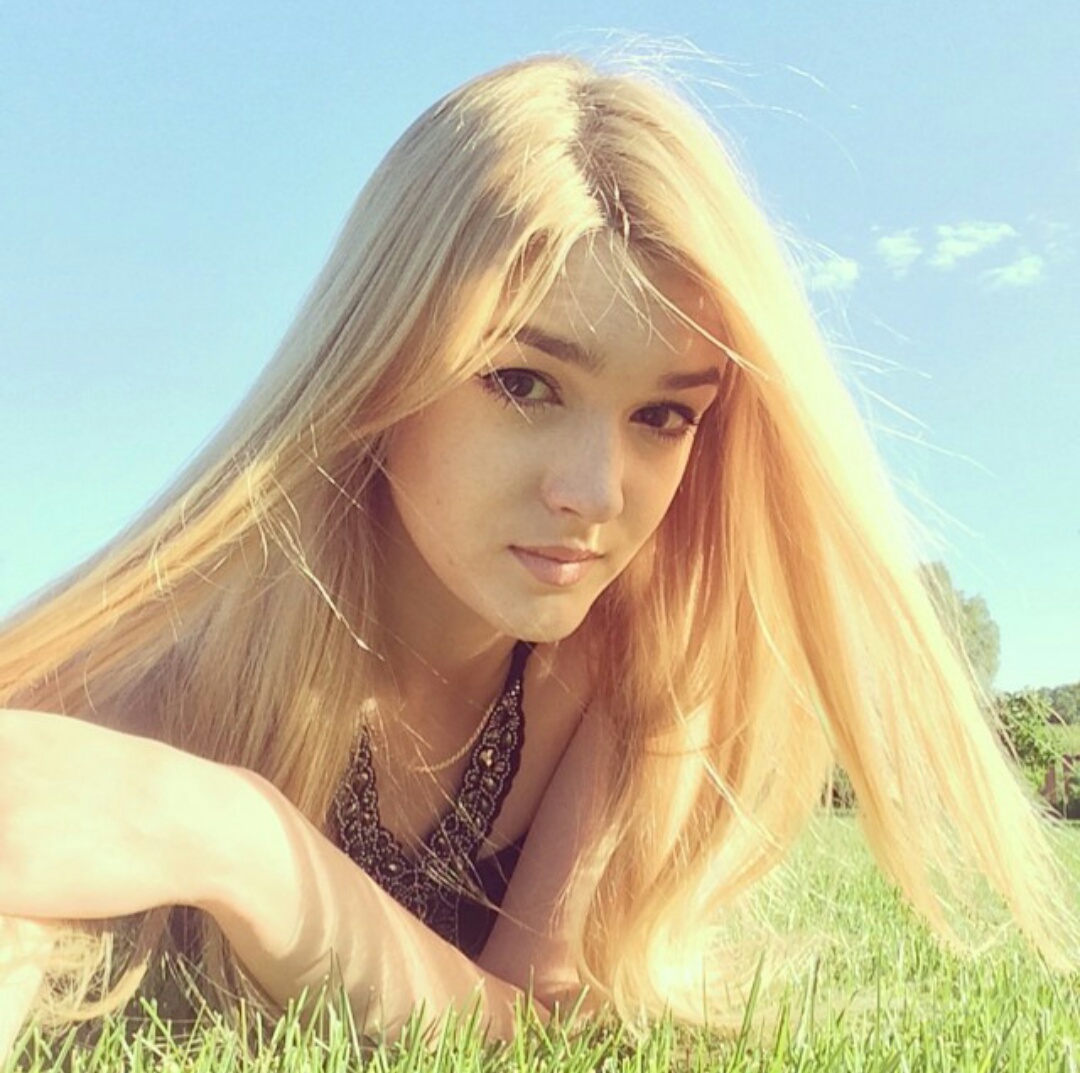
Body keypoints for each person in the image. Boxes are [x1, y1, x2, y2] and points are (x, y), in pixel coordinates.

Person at [0, 53, 1074, 1055]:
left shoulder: (641, 662)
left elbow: (537, 1037)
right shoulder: (176, 655)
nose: (596, 493)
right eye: (524, 383)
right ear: (379, 365)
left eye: (663, 415)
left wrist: (240, 840)